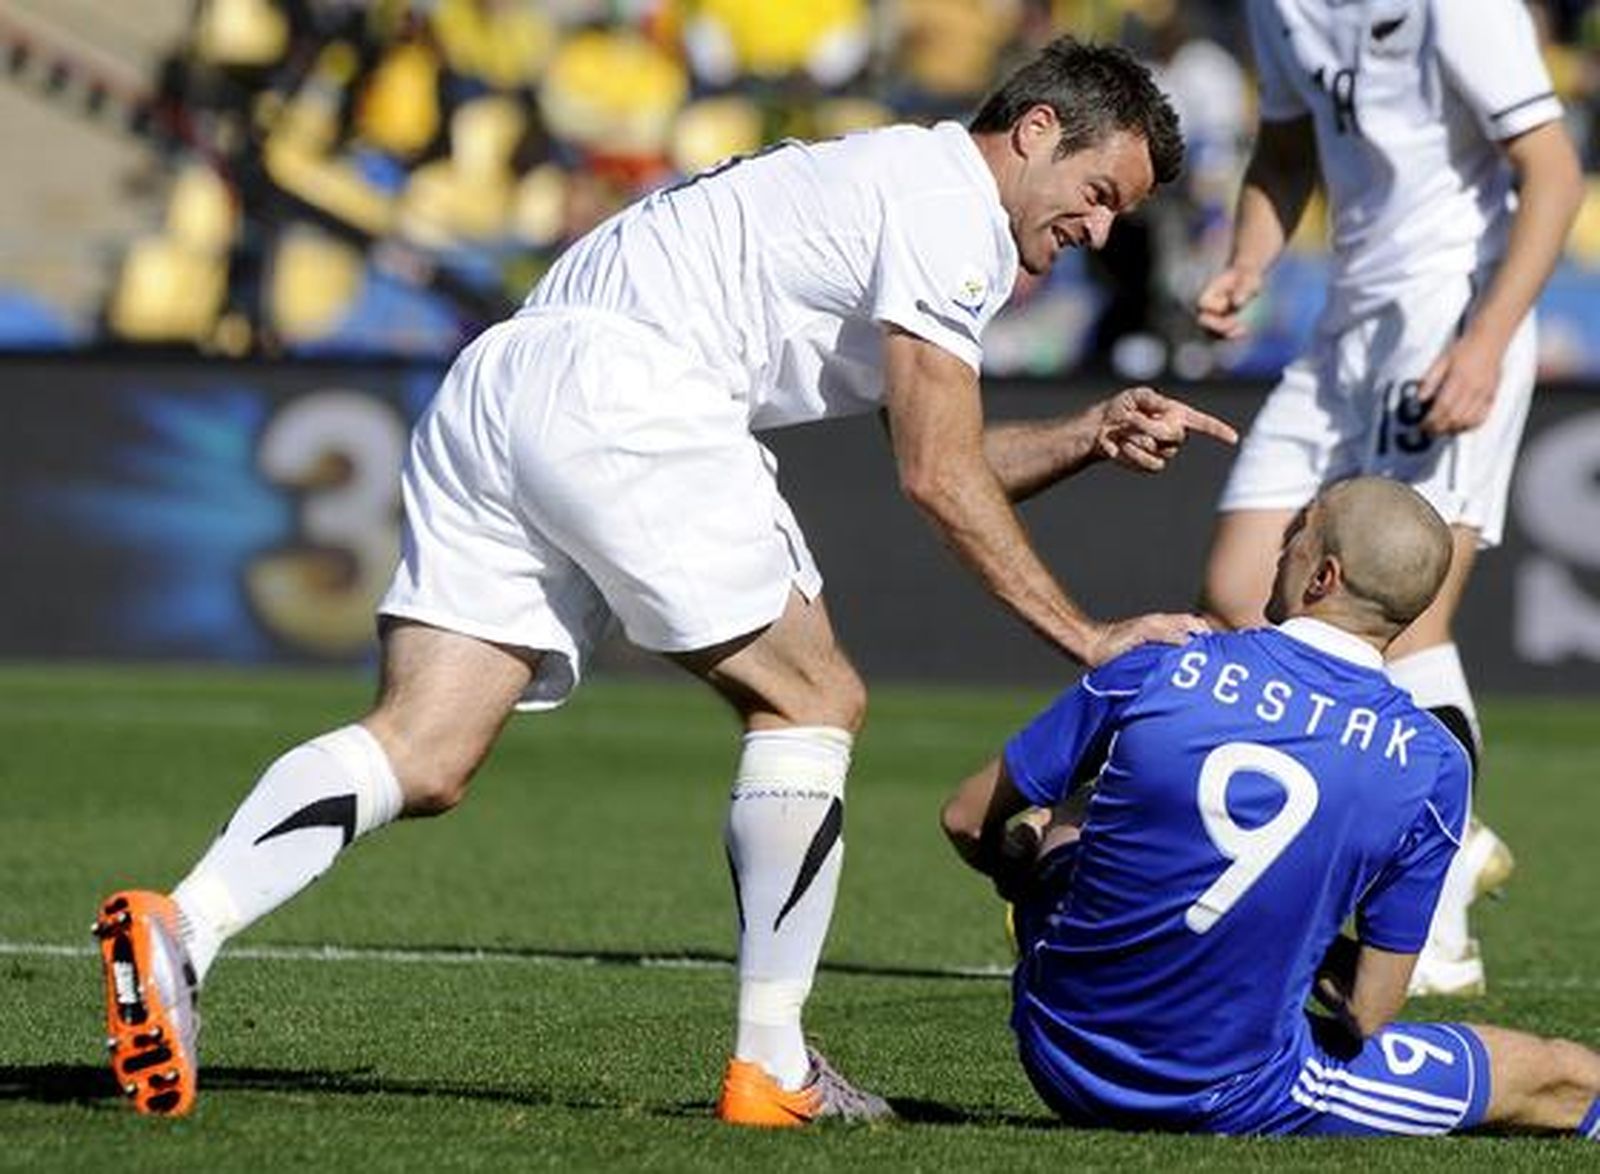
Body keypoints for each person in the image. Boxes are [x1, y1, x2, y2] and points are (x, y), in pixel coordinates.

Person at [94, 37, 1238, 1121]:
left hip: (508, 378)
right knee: (812, 699)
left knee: (425, 748)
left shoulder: (892, 180)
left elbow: (944, 458)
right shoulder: (952, 210)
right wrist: (1086, 637)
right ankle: (772, 1062)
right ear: (1036, 129)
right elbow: (937, 476)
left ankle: (180, 927)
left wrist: (1083, 433)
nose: (1097, 229)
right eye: (1097, 192)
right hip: (632, 388)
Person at [942, 477, 1600, 1138]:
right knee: (1566, 1077)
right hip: (1227, 1092)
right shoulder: (1432, 762)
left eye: (1297, 534)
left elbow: (965, 818)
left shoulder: (1165, 662)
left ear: (1323, 576)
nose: (1282, 550)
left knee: (1076, 812)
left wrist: (1021, 876)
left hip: (1054, 1041)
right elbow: (1370, 1011)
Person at [1192, 0, 1585, 997]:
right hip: (1342, 332)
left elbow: (1550, 167)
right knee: (1241, 589)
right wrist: (1247, 260)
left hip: (1448, 314)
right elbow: (1286, 149)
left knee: (1405, 618)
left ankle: (1438, 917)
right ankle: (1454, 838)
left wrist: (1488, 340)